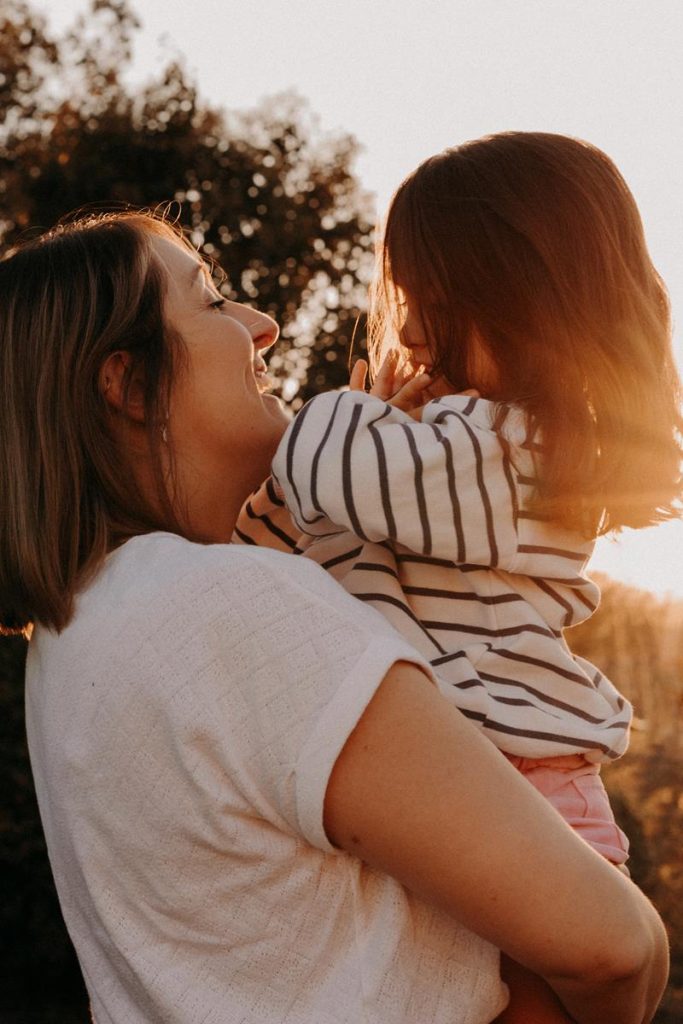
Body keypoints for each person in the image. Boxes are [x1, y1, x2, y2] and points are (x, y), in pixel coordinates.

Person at [0, 211, 669, 1024]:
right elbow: (614, 948)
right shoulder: (225, 605)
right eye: (211, 303)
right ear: (130, 385)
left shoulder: (82, 632)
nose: (264, 326)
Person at [235, 133, 683, 1018]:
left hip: (524, 800)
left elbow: (332, 469)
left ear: (532, 303)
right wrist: (279, 519)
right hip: (466, 794)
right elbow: (305, 566)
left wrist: (346, 415)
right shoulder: (441, 465)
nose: (404, 330)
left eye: (434, 302)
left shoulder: (520, 447)